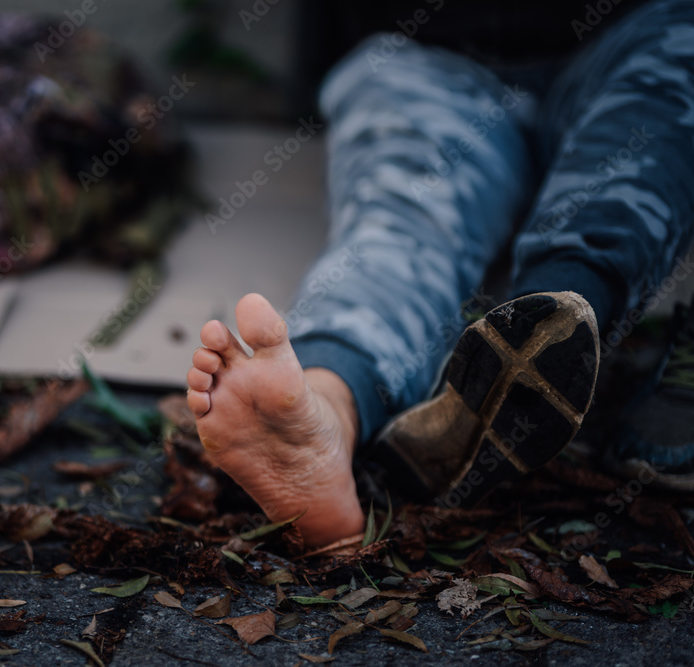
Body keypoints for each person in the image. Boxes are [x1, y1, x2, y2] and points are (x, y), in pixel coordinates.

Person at [186, 0, 694, 548]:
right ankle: (320, 415)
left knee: (399, 231)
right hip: (432, 57)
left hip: (636, 37)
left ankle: (535, 333)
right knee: (616, 186)